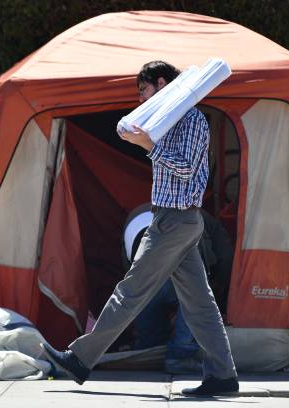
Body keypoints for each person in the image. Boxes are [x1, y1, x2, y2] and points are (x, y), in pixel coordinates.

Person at [41, 60, 239, 397]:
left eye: (143, 91)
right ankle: (223, 375)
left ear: (162, 83)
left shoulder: (189, 119)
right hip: (175, 220)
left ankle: (80, 358)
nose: (141, 100)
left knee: (130, 291)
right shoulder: (170, 119)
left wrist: (148, 145)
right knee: (200, 303)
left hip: (175, 221)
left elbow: (187, 169)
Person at [124, 205, 234, 374]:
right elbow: (225, 253)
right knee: (194, 298)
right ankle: (180, 354)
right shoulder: (196, 214)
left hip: (144, 270)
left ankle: (149, 350)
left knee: (146, 299)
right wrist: (219, 284)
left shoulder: (135, 215)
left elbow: (127, 265)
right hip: (179, 261)